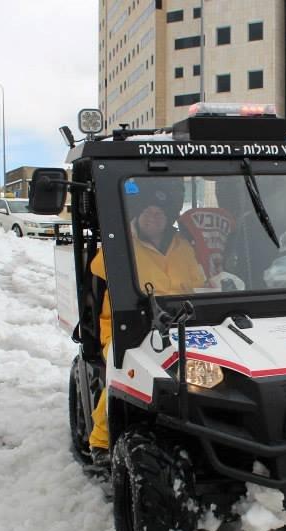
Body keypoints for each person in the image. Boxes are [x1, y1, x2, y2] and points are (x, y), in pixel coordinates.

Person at [87, 179, 206, 475]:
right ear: (137, 216)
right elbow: (98, 268)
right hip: (128, 323)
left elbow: (197, 281)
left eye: (160, 213)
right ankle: (100, 441)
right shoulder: (122, 245)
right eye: (148, 212)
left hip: (179, 321)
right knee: (122, 365)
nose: (154, 217)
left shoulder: (181, 246)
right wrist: (121, 242)